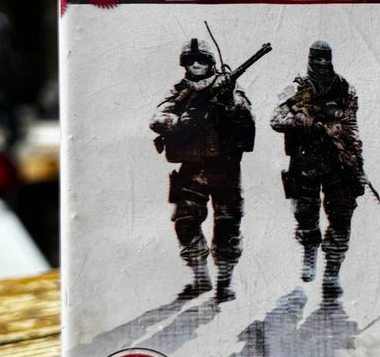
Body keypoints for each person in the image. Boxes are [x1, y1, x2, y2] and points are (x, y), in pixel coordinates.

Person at [150, 37, 255, 303]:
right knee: (185, 221)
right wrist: (177, 122)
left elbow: (246, 115)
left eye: (201, 60)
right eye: (190, 61)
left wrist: (230, 98)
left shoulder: (228, 85)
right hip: (192, 168)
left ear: (210, 63)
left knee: (227, 225)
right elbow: (157, 118)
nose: (196, 65)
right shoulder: (180, 91)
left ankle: (224, 282)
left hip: (225, 167)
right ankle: (200, 277)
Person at [270, 41, 364, 299]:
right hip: (305, 161)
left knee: (342, 215)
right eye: (317, 59)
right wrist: (309, 123)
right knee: (306, 215)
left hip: (338, 161)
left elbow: (352, 126)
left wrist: (357, 160)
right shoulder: (300, 88)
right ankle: (310, 251)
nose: (322, 64)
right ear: (310, 60)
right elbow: (276, 119)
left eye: (326, 59)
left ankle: (332, 270)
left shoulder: (344, 88)